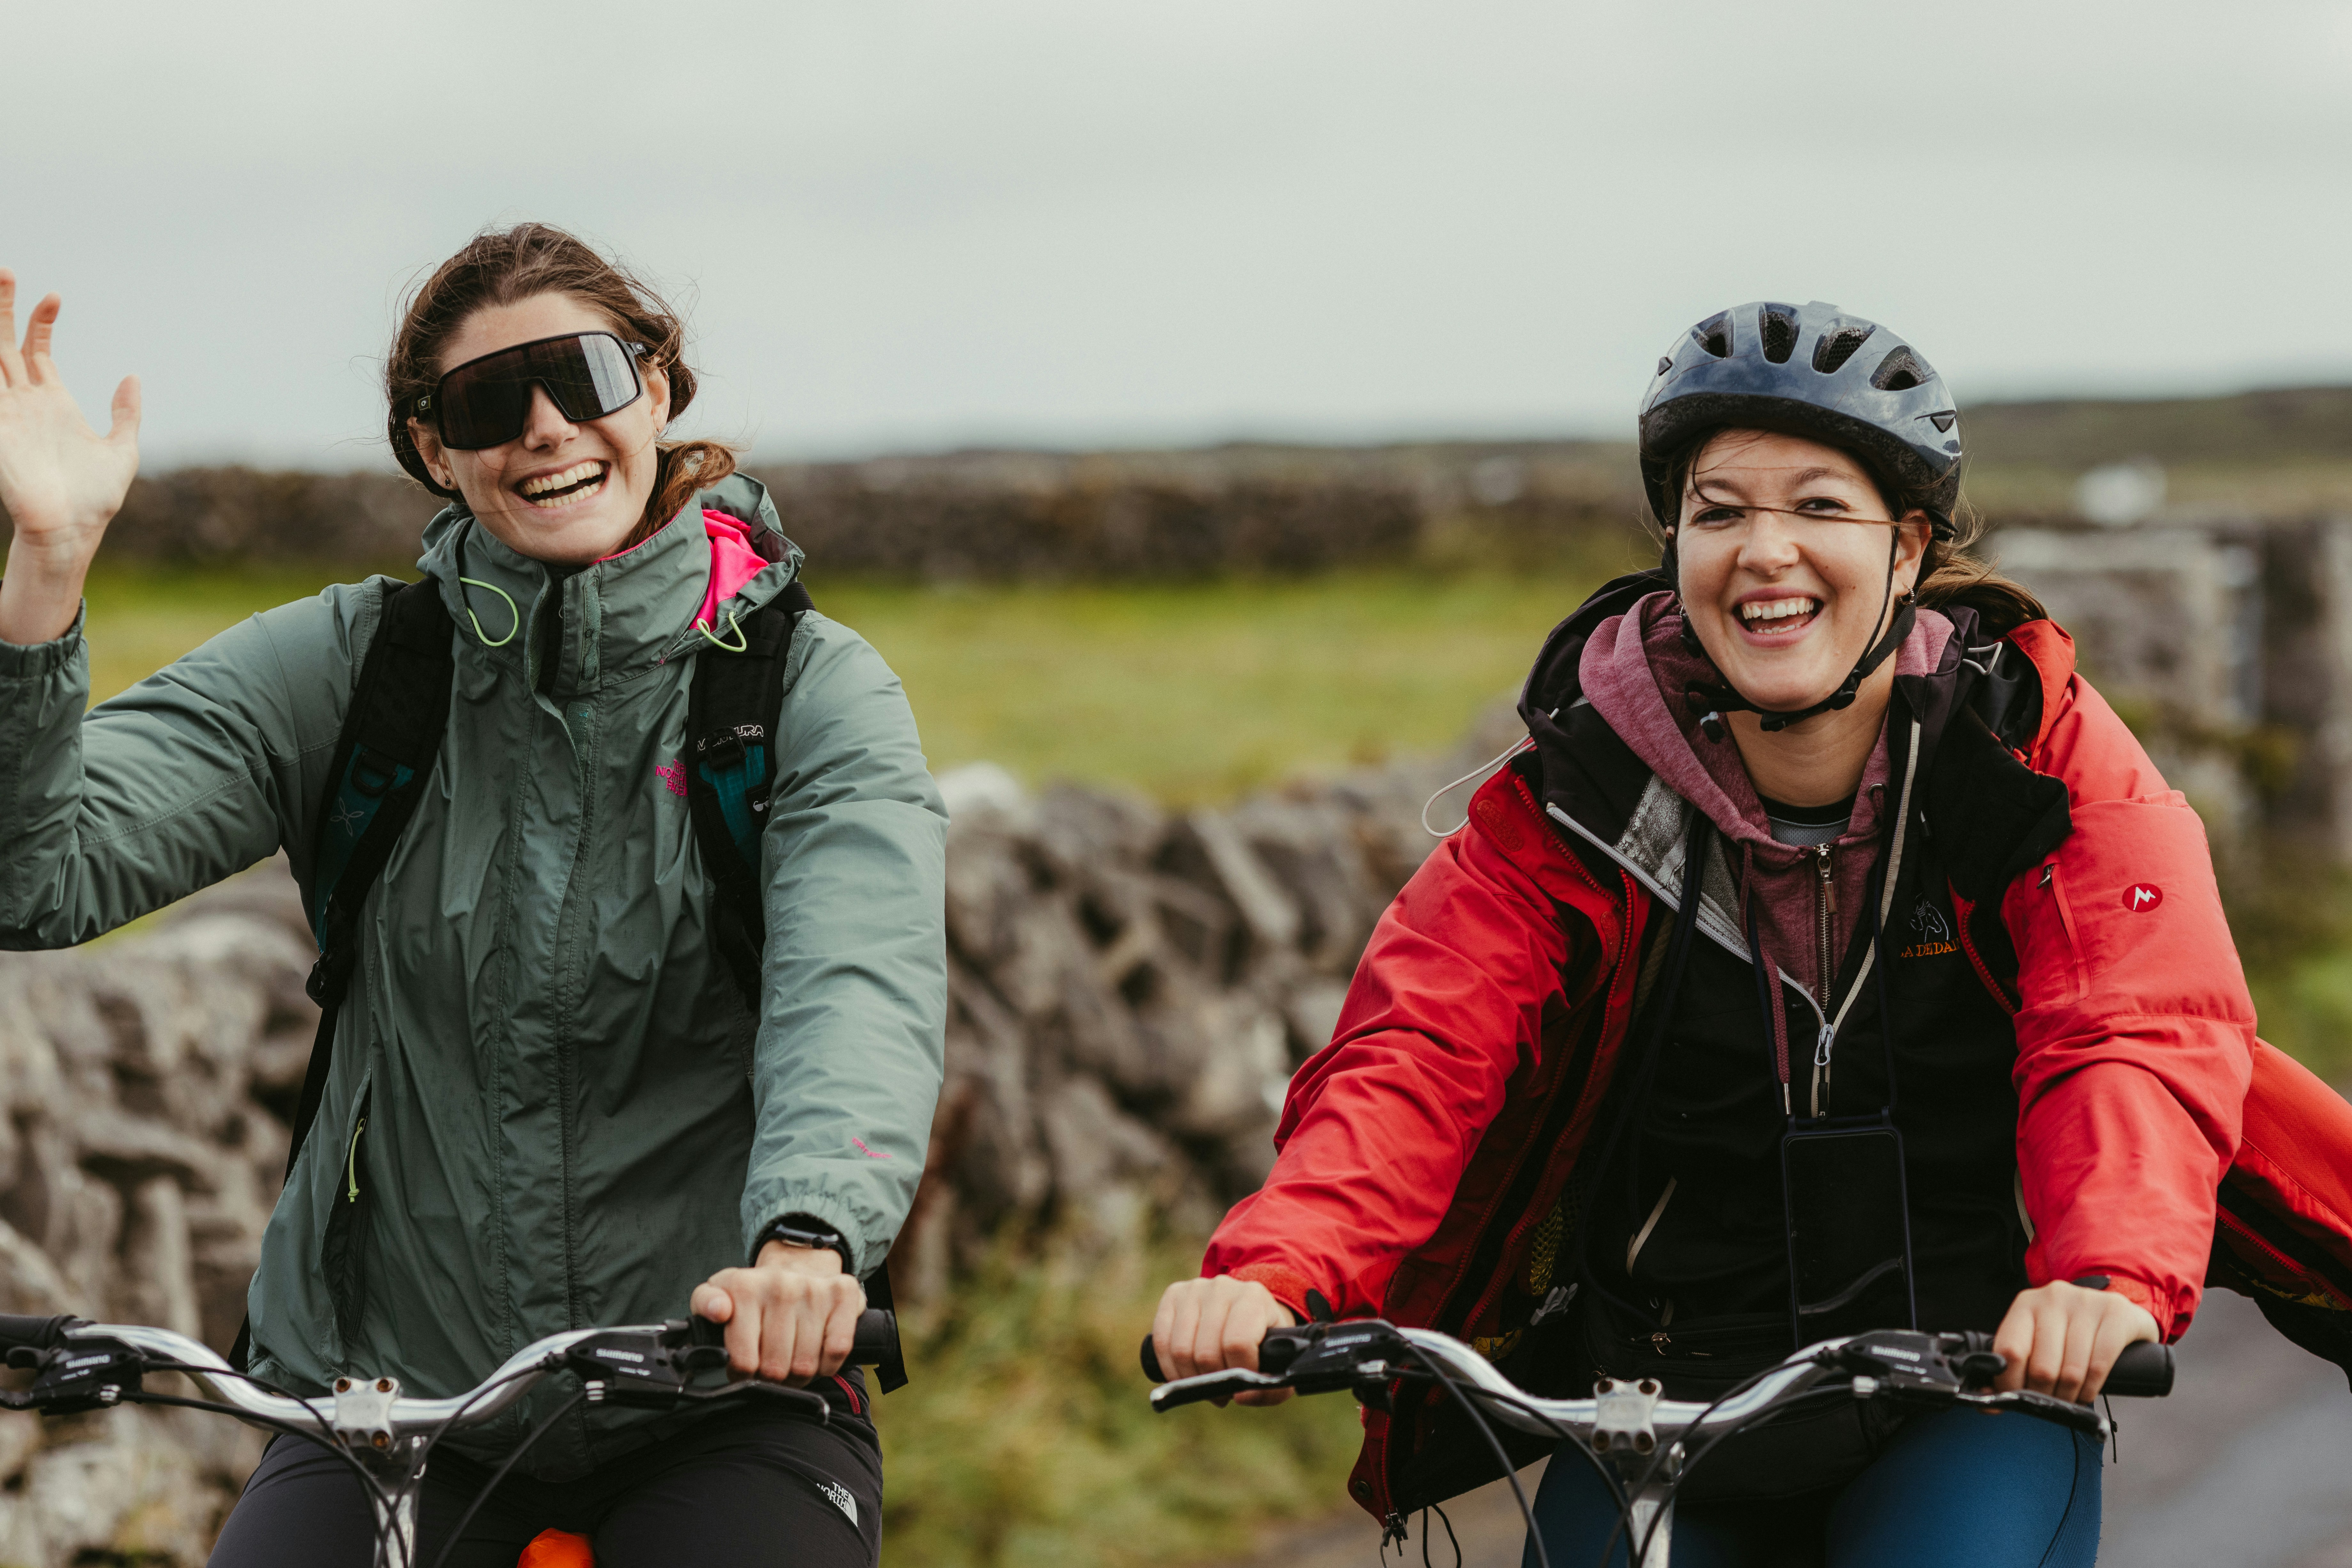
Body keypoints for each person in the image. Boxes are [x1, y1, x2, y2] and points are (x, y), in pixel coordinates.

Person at [1147, 300, 2346, 1566]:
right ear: (1674, 544)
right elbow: (1420, 1055)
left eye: (1819, 507)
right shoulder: (1576, 801)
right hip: (1650, 1404)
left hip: (1969, 1390)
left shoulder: (2029, 768)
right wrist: (1274, 1272)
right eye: (1719, 511)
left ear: (1907, 548)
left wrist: (2101, 1277)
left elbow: (2132, 1028)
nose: (1763, 551)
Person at [0, 225, 948, 1566]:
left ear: (661, 389)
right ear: (433, 451)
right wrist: (46, 566)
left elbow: (856, 979)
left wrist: (807, 1241)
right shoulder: (354, 668)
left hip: (723, 1388)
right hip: (390, 1402)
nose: (547, 427)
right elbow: (37, 878)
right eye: (487, 403)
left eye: (588, 375)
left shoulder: (800, 691)